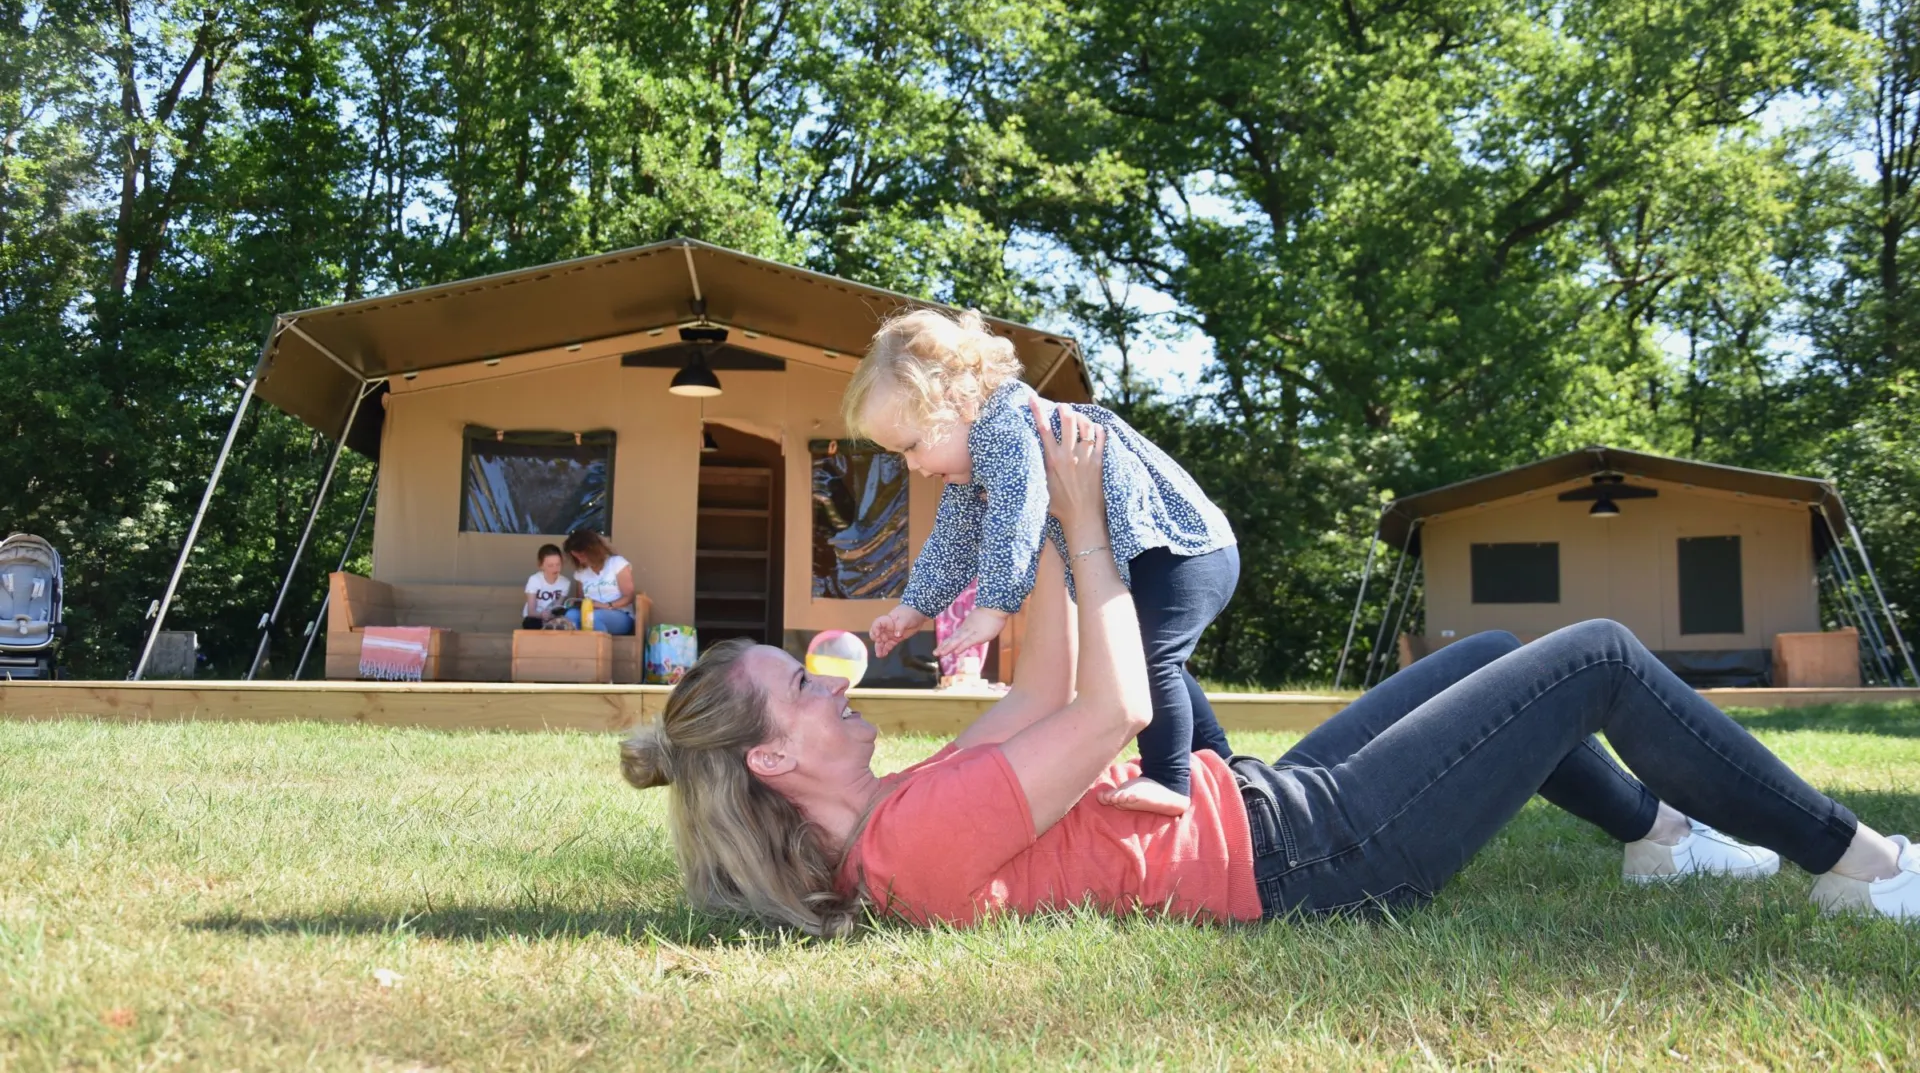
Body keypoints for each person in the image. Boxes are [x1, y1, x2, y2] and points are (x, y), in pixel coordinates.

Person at [620, 399, 1920, 936]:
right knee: (1593, 654)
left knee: (1492, 651)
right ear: (775, 758)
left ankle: (1653, 834)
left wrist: (1026, 520)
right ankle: (1860, 862)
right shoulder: (911, 841)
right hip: (1321, 853)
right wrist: (1082, 518)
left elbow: (1044, 691)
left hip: (1272, 801)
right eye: (800, 687)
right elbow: (1121, 704)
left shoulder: (903, 820)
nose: (827, 683)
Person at [845, 308, 1237, 814]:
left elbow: (1018, 512)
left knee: (1145, 660)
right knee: (1161, 663)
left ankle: (1168, 777)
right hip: (1170, 555)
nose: (914, 466)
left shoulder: (1006, 428)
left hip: (1182, 551)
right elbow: (955, 538)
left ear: (958, 402)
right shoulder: (976, 453)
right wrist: (917, 606)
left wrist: (995, 606)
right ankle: (1222, 766)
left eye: (913, 447)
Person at [562, 529, 638, 635]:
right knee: (570, 616)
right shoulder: (581, 572)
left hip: (619, 613)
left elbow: (629, 597)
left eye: (582, 556)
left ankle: (596, 650)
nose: (581, 560)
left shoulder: (617, 563)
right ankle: (573, 650)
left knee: (593, 618)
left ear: (593, 550)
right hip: (589, 612)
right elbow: (581, 599)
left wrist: (606, 605)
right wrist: (577, 604)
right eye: (576, 557)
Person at [522, 543, 572, 629]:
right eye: (550, 565)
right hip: (535, 617)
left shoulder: (565, 582)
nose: (555, 568)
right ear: (541, 565)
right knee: (531, 623)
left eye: (558, 564)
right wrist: (542, 615)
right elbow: (531, 611)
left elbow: (557, 606)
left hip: (552, 618)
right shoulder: (535, 580)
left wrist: (553, 615)